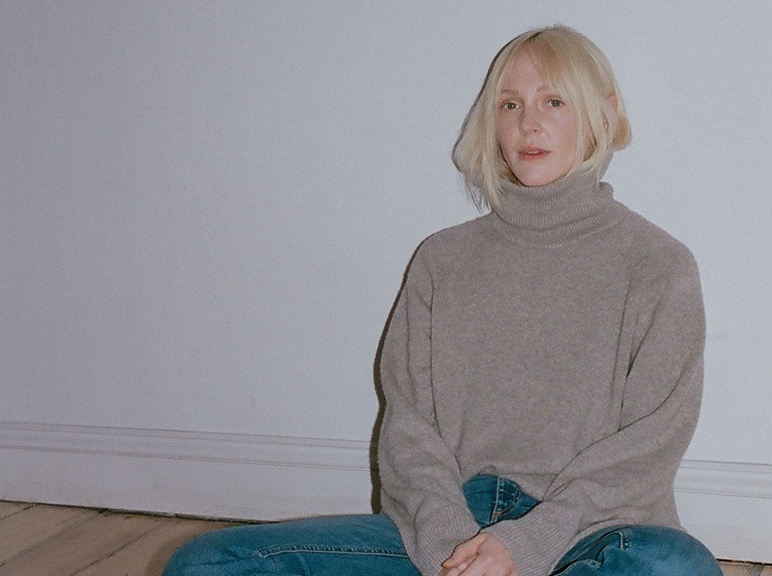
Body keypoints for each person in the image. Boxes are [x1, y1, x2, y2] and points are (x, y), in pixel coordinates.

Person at [163, 24, 721, 576]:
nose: (528, 123)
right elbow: (408, 428)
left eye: (553, 101)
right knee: (205, 564)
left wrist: (525, 546)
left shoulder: (659, 266)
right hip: (447, 528)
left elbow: (648, 447)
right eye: (509, 104)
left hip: (591, 533)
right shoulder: (442, 261)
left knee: (676, 565)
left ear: (604, 112)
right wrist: (452, 550)